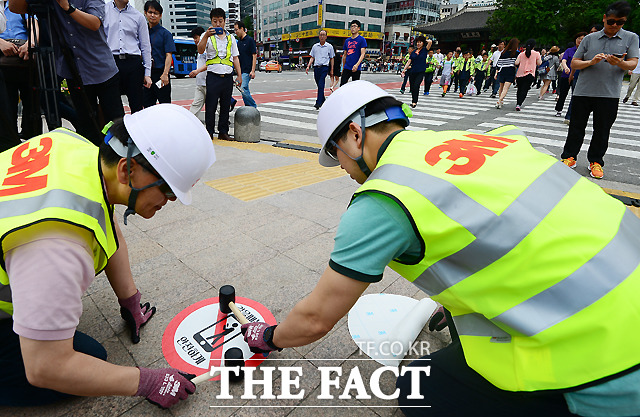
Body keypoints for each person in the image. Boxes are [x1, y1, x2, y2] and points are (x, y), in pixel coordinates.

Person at [240, 79, 640, 417]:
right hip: (625, 281)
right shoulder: (479, 139)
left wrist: (270, 336)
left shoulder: (384, 199)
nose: (343, 169)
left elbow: (315, 319)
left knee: (415, 386)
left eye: (336, 155)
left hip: (611, 367)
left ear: (356, 135)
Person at [0, 103, 216, 408]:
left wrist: (130, 300)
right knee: (89, 359)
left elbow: (106, 221)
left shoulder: (72, 146)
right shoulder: (58, 245)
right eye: (167, 191)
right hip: (38, 255)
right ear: (128, 170)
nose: (169, 202)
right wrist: (146, 382)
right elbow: (45, 367)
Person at [10, 0, 125, 146]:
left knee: (116, 121)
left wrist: (68, 8)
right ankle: (92, 159)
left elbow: (95, 23)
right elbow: (15, 7)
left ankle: (122, 158)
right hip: (73, 71)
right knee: (86, 125)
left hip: (101, 68)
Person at [560, 1, 639, 180]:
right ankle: (569, 157)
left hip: (609, 94)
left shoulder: (630, 38)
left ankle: (595, 161)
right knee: (576, 127)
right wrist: (591, 62)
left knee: (602, 130)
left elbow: (632, 63)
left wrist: (619, 62)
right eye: (611, 21)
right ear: (604, 18)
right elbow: (574, 63)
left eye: (620, 22)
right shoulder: (589, 38)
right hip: (583, 91)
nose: (615, 26)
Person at [197, 8, 242, 141]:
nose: (218, 24)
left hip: (227, 77)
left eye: (220, 21)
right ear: (211, 21)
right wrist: (205, 36)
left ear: (224, 21)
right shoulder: (208, 36)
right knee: (210, 106)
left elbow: (235, 58)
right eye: (215, 21)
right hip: (213, 76)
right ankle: (209, 132)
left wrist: (239, 75)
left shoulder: (231, 38)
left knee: (225, 106)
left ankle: (223, 132)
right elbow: (200, 50)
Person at [104, 0, 152, 114]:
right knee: (112, 106)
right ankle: (116, 131)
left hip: (133, 63)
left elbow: (145, 46)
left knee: (137, 105)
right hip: (111, 62)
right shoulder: (103, 11)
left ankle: (136, 131)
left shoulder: (138, 16)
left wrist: (147, 73)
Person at [0, 1, 40, 140]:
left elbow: (33, 23)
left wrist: (31, 43)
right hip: (2, 56)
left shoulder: (18, 3)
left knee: (32, 105)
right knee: (6, 106)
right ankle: (8, 141)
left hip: (25, 55)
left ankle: (32, 139)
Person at [142, 0, 175, 108]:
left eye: (156, 13)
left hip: (160, 74)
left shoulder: (165, 34)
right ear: (145, 13)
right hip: (146, 74)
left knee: (165, 105)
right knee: (147, 106)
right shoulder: (141, 32)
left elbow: (168, 55)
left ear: (160, 15)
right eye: (150, 12)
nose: (152, 15)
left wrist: (165, 74)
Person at [555, 33, 587, 117]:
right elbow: (564, 60)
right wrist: (565, 68)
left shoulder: (586, 51)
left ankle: (571, 113)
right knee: (563, 94)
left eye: (582, 39)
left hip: (578, 77)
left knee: (575, 95)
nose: (580, 40)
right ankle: (559, 109)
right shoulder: (569, 50)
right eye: (579, 38)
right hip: (566, 75)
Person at [401, 35, 432, 108]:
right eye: (417, 42)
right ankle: (413, 100)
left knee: (416, 85)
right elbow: (409, 61)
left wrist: (424, 40)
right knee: (412, 87)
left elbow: (430, 42)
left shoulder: (425, 50)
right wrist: (404, 70)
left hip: (421, 71)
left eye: (420, 42)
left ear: (423, 43)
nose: (418, 44)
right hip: (412, 71)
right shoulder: (414, 52)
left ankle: (414, 102)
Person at [307, 29, 334, 110]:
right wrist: (308, 66)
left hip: (324, 67)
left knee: (321, 84)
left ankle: (318, 103)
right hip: (316, 68)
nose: (322, 36)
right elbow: (312, 57)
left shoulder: (329, 47)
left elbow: (332, 58)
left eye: (323, 35)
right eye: (321, 35)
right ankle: (323, 100)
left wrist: (331, 69)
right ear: (319, 36)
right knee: (319, 85)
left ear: (326, 37)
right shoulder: (315, 46)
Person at [232, 20, 257, 109]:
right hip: (240, 71)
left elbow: (254, 55)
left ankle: (253, 106)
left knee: (243, 88)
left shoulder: (250, 40)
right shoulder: (239, 42)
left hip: (247, 70)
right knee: (243, 89)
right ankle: (248, 107)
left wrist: (253, 71)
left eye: (236, 30)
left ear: (242, 29)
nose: (235, 32)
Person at [514, 39, 542, 111]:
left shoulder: (521, 54)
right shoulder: (536, 53)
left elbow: (516, 63)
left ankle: (517, 102)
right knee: (525, 89)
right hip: (530, 74)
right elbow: (539, 63)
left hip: (520, 74)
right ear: (534, 46)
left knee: (519, 89)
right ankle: (519, 104)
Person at [495, 37, 520, 109]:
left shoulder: (503, 53)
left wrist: (496, 73)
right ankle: (499, 100)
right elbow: (517, 64)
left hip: (503, 70)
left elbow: (499, 64)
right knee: (506, 88)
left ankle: (500, 101)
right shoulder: (517, 53)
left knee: (501, 87)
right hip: (510, 70)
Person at [340, 19, 366, 86]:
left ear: (358, 28)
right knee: (342, 85)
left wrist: (357, 65)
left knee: (355, 87)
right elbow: (344, 55)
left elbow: (363, 54)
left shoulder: (362, 40)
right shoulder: (347, 40)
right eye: (351, 26)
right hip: (347, 67)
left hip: (356, 68)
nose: (353, 28)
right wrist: (343, 67)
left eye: (355, 26)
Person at [188, 26, 207, 116]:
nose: (195, 40)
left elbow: (210, 63)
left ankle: (224, 123)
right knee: (195, 105)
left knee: (216, 106)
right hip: (200, 83)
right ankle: (189, 122)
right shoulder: (199, 49)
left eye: (196, 38)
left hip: (209, 83)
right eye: (194, 38)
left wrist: (197, 71)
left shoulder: (207, 48)